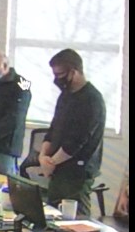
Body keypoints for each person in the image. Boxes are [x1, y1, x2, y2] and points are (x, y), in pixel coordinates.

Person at [38, 49, 105, 216]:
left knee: (76, 224)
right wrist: (42, 156)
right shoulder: (65, 96)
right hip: (57, 170)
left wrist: (51, 163)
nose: (57, 79)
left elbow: (75, 142)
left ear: (74, 72)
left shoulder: (91, 100)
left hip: (76, 174)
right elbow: (53, 129)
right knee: (53, 218)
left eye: (60, 74)